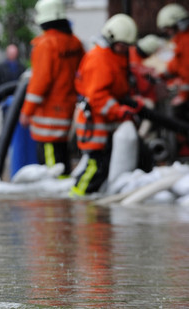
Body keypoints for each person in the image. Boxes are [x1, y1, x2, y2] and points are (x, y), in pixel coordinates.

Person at [70, 14, 142, 196]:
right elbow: (98, 97)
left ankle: (89, 203)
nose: (124, 50)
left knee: (101, 166)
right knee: (95, 167)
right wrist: (120, 111)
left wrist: (130, 102)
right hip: (94, 124)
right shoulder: (99, 59)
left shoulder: (113, 56)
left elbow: (119, 87)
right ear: (111, 39)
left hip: (103, 124)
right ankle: (78, 200)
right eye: (122, 46)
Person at [19, 0, 85, 177]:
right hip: (67, 109)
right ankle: (64, 196)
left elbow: (40, 82)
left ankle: (55, 202)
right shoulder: (75, 43)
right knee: (62, 156)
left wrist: (27, 111)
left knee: (50, 168)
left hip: (47, 116)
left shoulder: (46, 44)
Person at [156, 3, 189, 156]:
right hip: (184, 96)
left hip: (186, 97)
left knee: (180, 119)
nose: (168, 33)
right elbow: (176, 65)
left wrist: (182, 95)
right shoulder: (180, 41)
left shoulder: (185, 41)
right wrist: (158, 73)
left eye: (169, 28)